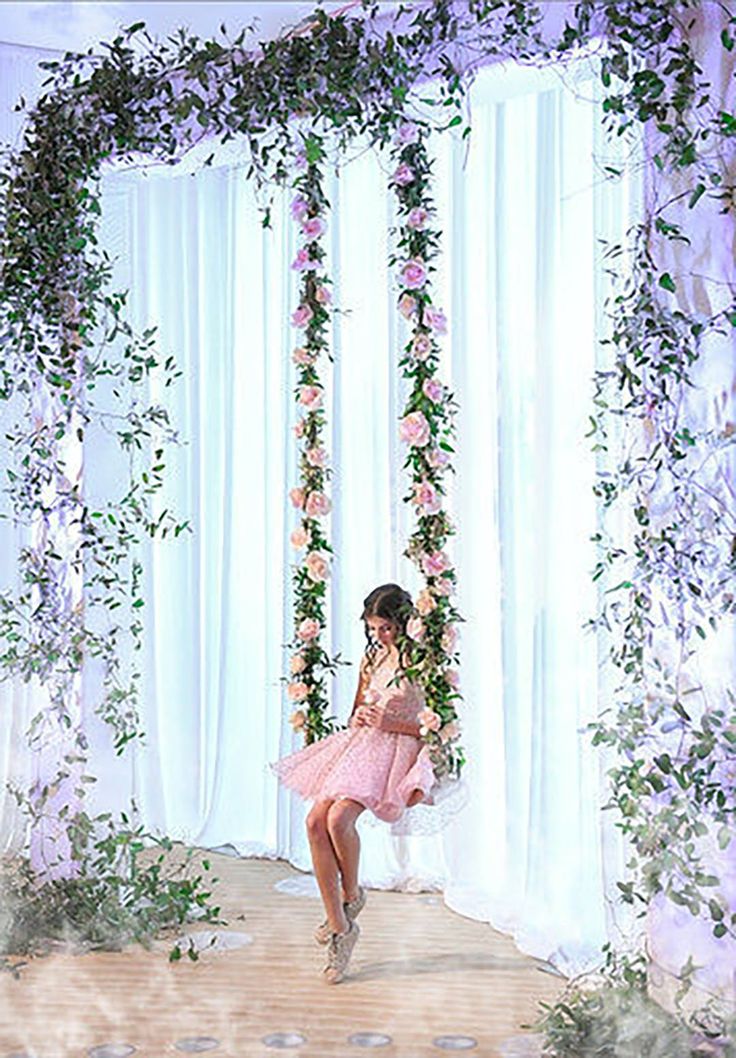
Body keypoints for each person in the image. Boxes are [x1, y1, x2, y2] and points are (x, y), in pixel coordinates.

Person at [271, 582, 435, 984]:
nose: (379, 636)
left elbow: (432, 724)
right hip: (361, 745)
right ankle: (341, 928)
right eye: (373, 628)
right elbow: (357, 710)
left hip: (395, 751)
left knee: (340, 819)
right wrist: (360, 717)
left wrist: (389, 722)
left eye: (386, 628)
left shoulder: (421, 662)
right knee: (314, 822)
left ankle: (350, 896)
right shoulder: (372, 659)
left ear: (403, 622)